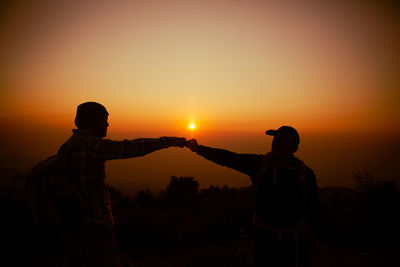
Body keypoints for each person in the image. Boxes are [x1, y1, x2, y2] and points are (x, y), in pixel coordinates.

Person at [58, 102, 186, 266]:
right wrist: (170, 141)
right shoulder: (91, 145)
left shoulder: (68, 145)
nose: (108, 124)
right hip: (94, 227)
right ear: (93, 121)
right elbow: (130, 148)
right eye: (104, 120)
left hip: (71, 226)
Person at [186, 126, 323, 267]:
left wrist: (313, 242)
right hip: (265, 240)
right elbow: (229, 158)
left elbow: (314, 212)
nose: (276, 143)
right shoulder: (260, 165)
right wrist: (199, 149)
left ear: (294, 147)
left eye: (282, 140)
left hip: (294, 242)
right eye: (275, 139)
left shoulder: (306, 174)